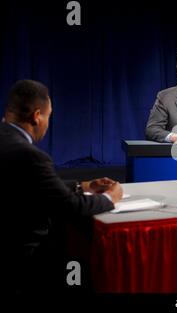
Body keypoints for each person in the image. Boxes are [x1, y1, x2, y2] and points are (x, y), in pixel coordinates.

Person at [0, 79, 123, 293]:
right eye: (48, 116)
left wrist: (83, 185)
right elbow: (69, 207)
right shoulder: (31, 155)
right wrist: (110, 197)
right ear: (37, 116)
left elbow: (32, 184)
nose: (47, 124)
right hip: (26, 252)